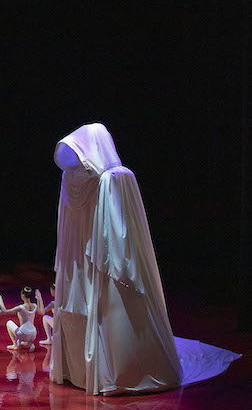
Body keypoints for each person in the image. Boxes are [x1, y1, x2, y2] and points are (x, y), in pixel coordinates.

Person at [52, 123, 181, 394]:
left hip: (83, 260)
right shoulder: (113, 177)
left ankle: (82, 372)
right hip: (99, 256)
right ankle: (112, 372)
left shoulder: (82, 179)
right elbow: (120, 230)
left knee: (98, 309)